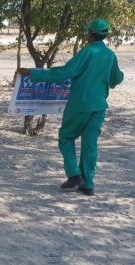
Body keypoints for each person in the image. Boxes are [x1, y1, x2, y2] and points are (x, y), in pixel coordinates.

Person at [18, 18, 124, 196]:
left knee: (66, 138)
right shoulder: (110, 55)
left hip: (79, 104)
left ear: (90, 33)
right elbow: (117, 79)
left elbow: (66, 72)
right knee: (90, 144)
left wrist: (32, 73)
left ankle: (74, 174)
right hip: (99, 106)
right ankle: (88, 184)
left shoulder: (87, 52)